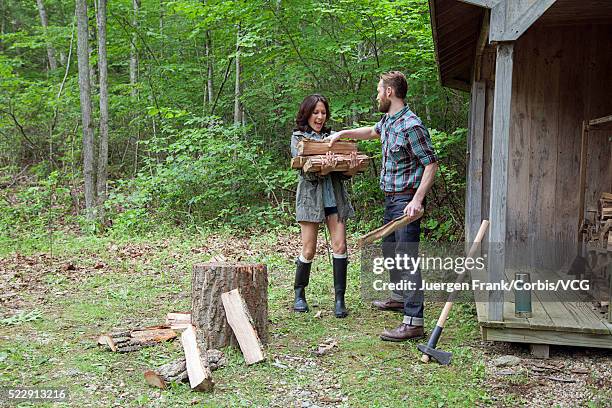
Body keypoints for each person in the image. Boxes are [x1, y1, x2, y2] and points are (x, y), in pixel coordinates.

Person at [327, 71, 438, 340]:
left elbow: (431, 163)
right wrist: (343, 133)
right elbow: (371, 132)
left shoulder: (412, 125)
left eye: (379, 90)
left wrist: (417, 200)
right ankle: (399, 297)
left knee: (406, 257)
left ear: (390, 92)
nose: (377, 95)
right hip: (390, 198)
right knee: (390, 250)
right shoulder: (388, 120)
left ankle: (414, 322)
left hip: (406, 200)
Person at [290, 94, 355, 318]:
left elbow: (344, 172)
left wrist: (351, 168)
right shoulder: (298, 138)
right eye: (315, 112)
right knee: (308, 249)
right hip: (310, 200)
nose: (319, 117)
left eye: (323, 113)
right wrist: (323, 169)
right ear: (307, 113)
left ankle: (339, 300)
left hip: (335, 199)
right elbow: (303, 171)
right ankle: (299, 294)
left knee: (340, 247)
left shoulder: (333, 137)